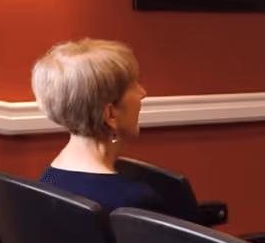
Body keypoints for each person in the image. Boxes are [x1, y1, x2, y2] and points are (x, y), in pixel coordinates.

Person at [31, 38, 166, 214]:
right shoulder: (133, 202)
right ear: (110, 115)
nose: (142, 93)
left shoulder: (47, 180)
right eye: (132, 86)